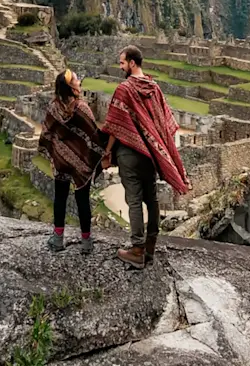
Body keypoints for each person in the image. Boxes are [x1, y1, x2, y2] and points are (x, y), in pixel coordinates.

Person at [101, 45, 191, 269]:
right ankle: (151, 246)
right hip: (150, 155)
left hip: (129, 153)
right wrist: (156, 145)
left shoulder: (124, 89)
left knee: (133, 201)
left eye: (122, 63)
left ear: (132, 63)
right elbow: (165, 123)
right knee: (151, 199)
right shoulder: (155, 88)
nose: (121, 67)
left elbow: (114, 125)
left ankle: (137, 249)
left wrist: (107, 152)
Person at [38, 69, 107, 255]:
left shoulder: (53, 108)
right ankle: (86, 242)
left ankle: (58, 238)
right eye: (76, 79)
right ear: (70, 86)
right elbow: (94, 135)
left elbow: (46, 133)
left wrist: (56, 151)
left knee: (59, 197)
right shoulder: (82, 108)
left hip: (60, 162)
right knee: (82, 200)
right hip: (80, 164)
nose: (79, 81)